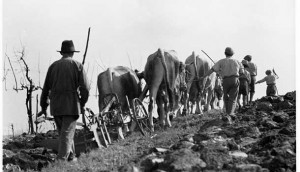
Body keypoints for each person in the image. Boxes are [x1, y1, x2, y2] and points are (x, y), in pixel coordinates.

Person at [38, 40, 90, 161]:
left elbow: (45, 89)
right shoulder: (77, 65)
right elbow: (86, 88)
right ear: (72, 53)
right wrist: (82, 102)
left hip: (56, 106)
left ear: (62, 52)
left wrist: (44, 107)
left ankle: (71, 158)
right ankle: (60, 162)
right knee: (67, 134)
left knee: (63, 134)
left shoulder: (53, 66)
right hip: (71, 105)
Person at [202, 47, 244, 124]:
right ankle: (230, 114)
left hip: (225, 80)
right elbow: (242, 72)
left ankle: (228, 113)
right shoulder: (237, 61)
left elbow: (212, 70)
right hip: (235, 79)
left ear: (225, 53)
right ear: (232, 54)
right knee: (233, 98)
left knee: (226, 97)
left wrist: (204, 76)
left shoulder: (221, 61)